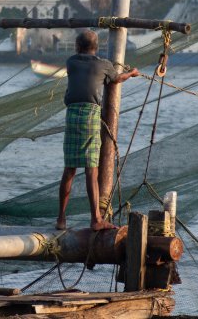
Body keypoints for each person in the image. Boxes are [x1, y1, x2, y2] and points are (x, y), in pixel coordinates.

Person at [56, 30, 139, 231]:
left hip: (72, 114)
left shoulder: (71, 62)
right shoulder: (104, 65)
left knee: (70, 169)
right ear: (97, 47)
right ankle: (96, 220)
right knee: (91, 171)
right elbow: (117, 79)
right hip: (90, 115)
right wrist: (131, 73)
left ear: (77, 46)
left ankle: (61, 219)